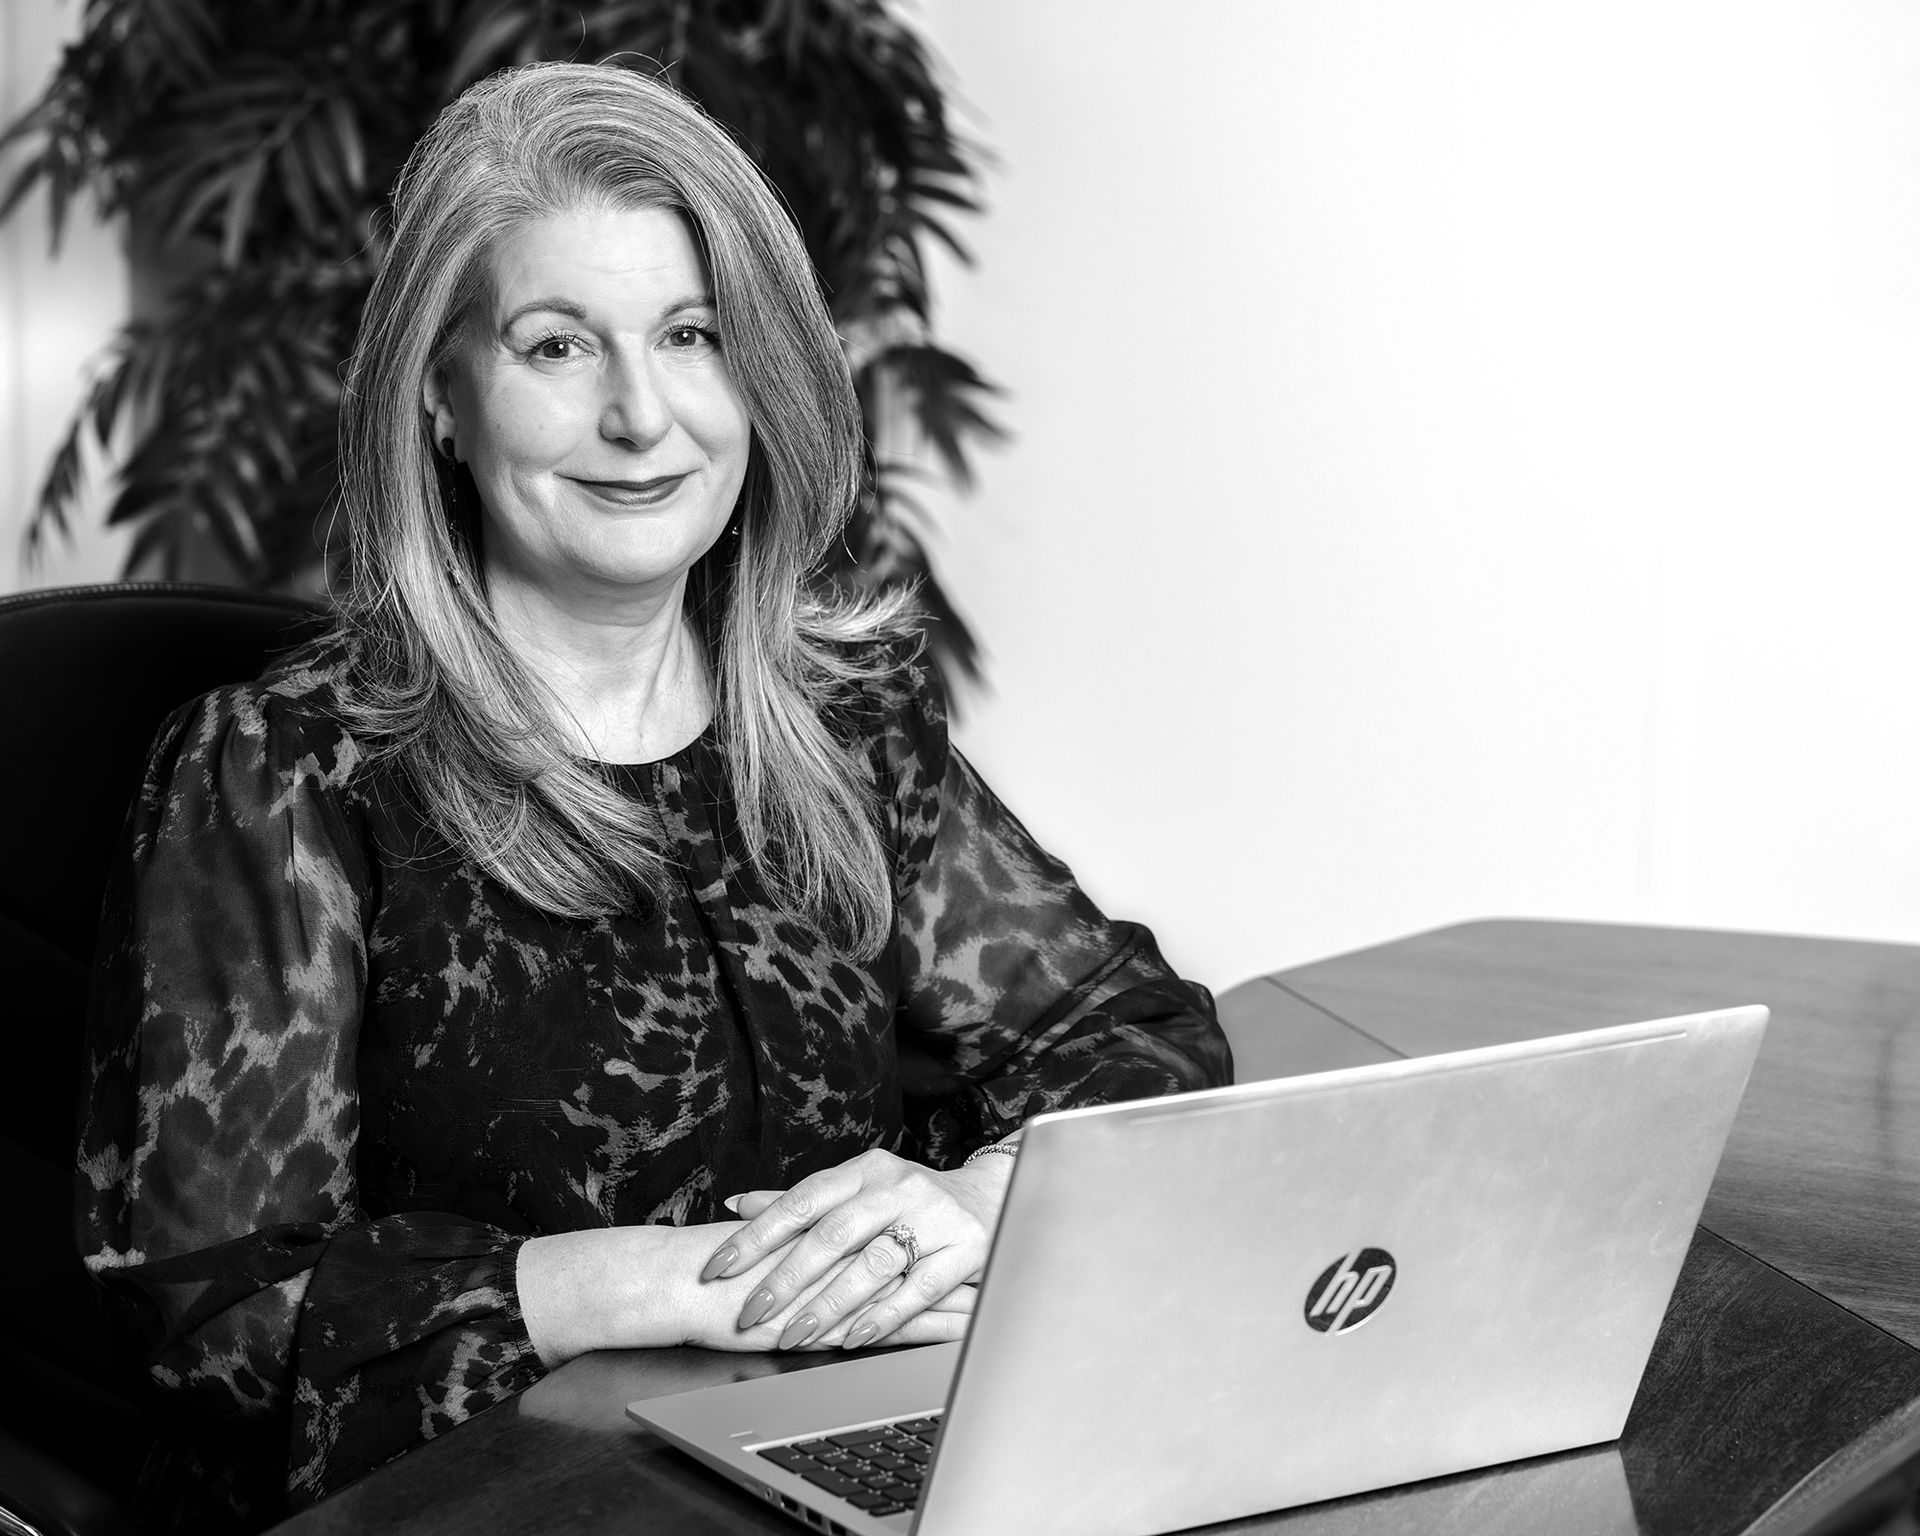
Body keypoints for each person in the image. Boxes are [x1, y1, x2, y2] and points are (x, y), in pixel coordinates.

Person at [76, 60, 1230, 1531]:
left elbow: (1127, 1036)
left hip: (814, 1466)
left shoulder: (842, 723)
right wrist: (692, 1284)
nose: (642, 416)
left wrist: (972, 1204)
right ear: (441, 394)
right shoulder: (283, 774)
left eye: (692, 335)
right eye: (557, 346)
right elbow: (221, 1314)